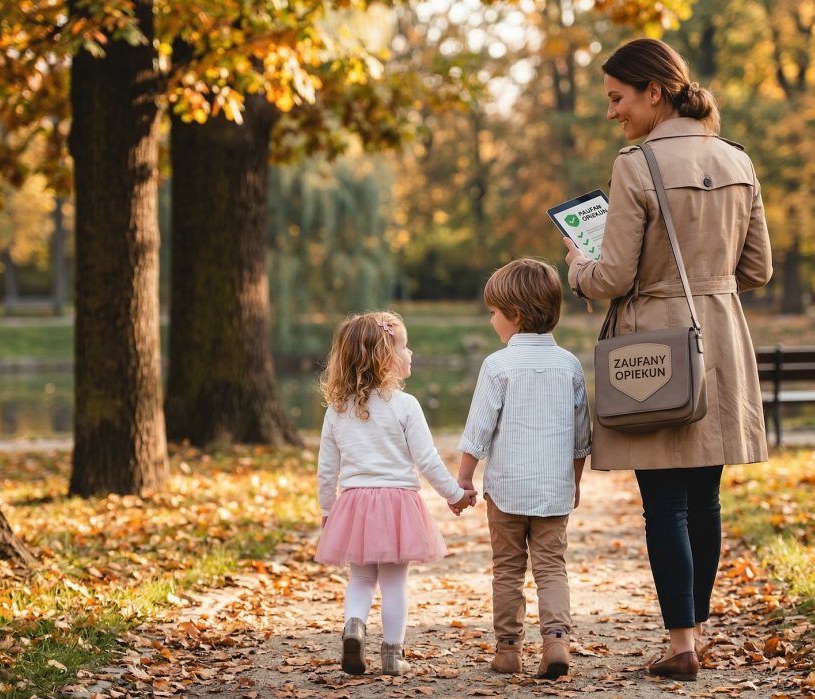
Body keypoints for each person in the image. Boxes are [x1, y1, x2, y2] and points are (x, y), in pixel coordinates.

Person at [564, 38, 772, 682]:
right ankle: (699, 633)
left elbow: (615, 275)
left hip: (652, 346)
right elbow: (758, 269)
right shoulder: (738, 160)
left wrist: (579, 268)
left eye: (617, 98)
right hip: (720, 340)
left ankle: (681, 644)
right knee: (704, 500)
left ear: (654, 92)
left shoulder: (636, 165)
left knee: (665, 505)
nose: (612, 113)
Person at [315, 311, 476, 677]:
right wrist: (454, 494)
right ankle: (392, 653)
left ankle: (354, 627)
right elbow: (428, 461)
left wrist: (328, 509)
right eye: (404, 346)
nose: (412, 353)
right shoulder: (406, 405)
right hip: (397, 504)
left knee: (360, 579)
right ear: (385, 359)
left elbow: (328, 469)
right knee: (394, 582)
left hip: (354, 504)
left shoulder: (337, 410)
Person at [456, 258, 592, 678]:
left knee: (509, 569)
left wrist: (464, 477)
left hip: (507, 491)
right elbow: (581, 433)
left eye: (494, 312)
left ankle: (509, 650)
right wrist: (575, 481)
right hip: (553, 489)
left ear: (514, 315)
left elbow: (478, 428)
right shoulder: (569, 364)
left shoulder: (498, 365)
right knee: (552, 567)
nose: (492, 319)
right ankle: (556, 643)